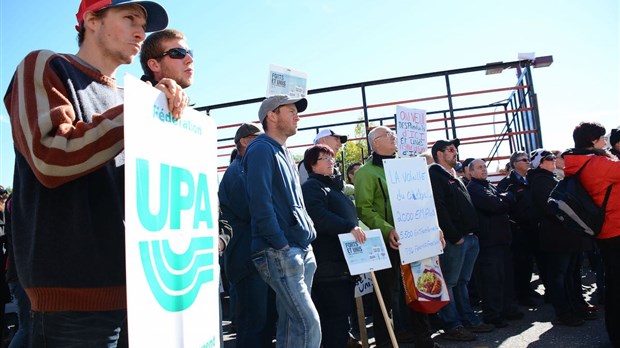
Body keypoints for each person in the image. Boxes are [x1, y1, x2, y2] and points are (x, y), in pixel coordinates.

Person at [3, 1, 189, 346]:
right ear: (91, 20)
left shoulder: (131, 96)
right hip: (73, 299)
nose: (140, 32)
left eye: (143, 24)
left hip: (144, 293)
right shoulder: (44, 64)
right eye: (129, 18)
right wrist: (140, 111)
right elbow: (51, 157)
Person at [243, 95, 321, 348]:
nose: (297, 116)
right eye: (291, 111)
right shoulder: (261, 149)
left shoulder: (282, 151)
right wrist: (281, 244)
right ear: (272, 116)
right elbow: (260, 201)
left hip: (298, 248)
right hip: (281, 250)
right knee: (308, 325)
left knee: (292, 322)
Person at [355, 126, 441, 348]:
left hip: (416, 239)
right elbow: (364, 209)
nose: (394, 137)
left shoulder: (408, 166)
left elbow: (424, 200)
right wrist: (387, 229)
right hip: (389, 243)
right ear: (375, 143)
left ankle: (425, 341)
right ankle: (385, 343)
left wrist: (434, 227)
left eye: (394, 134)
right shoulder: (366, 172)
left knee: (419, 291)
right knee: (387, 297)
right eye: (389, 135)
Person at [301, 144, 366, 348]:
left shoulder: (333, 187)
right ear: (312, 164)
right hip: (328, 266)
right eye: (325, 158)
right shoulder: (312, 187)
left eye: (332, 158)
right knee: (333, 319)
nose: (332, 162)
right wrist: (348, 227)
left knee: (340, 318)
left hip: (343, 264)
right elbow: (318, 217)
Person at [428, 140, 494, 340]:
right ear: (439, 153)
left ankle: (468, 319)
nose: (455, 152)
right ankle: (452, 324)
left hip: (469, 238)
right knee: (449, 283)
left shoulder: (454, 175)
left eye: (455, 149)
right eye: (450, 149)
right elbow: (438, 207)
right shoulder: (435, 175)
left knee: (463, 281)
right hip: (455, 240)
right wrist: (454, 236)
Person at [219, 123, 276, 348]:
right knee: (254, 322)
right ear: (244, 141)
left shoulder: (245, 169)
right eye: (258, 139)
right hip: (246, 260)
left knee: (263, 321)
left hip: (253, 257)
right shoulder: (237, 172)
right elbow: (254, 209)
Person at [563, 122, 620, 346]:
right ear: (593, 141)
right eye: (602, 138)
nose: (605, 141)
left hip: (605, 231)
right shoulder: (599, 163)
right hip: (616, 229)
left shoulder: (579, 162)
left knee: (614, 285)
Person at [528, 149, 590, 326]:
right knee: (559, 276)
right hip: (557, 236)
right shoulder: (540, 181)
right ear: (540, 163)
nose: (553, 160)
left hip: (565, 235)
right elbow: (552, 208)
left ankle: (574, 307)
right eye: (549, 158)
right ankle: (564, 312)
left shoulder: (550, 178)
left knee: (568, 273)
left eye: (553, 157)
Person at [466, 159, 522, 328]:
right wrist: (506, 198)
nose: (484, 170)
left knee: (505, 277)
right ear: (471, 172)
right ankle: (492, 314)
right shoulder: (474, 188)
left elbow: (505, 201)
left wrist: (504, 199)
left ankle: (507, 310)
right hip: (489, 242)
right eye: (479, 167)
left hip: (501, 239)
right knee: (492, 280)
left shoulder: (487, 185)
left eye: (484, 166)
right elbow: (495, 204)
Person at [497, 151, 544, 307]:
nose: (528, 162)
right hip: (519, 229)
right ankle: (521, 294)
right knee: (521, 263)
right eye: (524, 160)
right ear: (515, 163)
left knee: (531, 263)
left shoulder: (532, 179)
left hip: (535, 228)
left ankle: (527, 289)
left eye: (528, 159)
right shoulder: (507, 183)